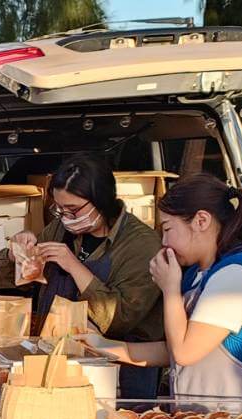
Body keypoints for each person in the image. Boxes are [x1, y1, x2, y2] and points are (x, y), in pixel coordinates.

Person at [86, 174, 242, 401]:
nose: (164, 242)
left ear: (201, 221)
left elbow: (184, 352)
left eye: (167, 229)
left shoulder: (237, 276)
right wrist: (100, 345)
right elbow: (172, 349)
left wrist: (170, 290)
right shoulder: (197, 275)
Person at [11, 154, 165, 399]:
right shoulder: (60, 228)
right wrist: (21, 250)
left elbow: (120, 318)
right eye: (59, 209)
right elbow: (24, 276)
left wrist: (73, 265)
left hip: (119, 376)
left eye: (72, 209)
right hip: (60, 363)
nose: (65, 217)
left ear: (101, 200)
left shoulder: (141, 244)